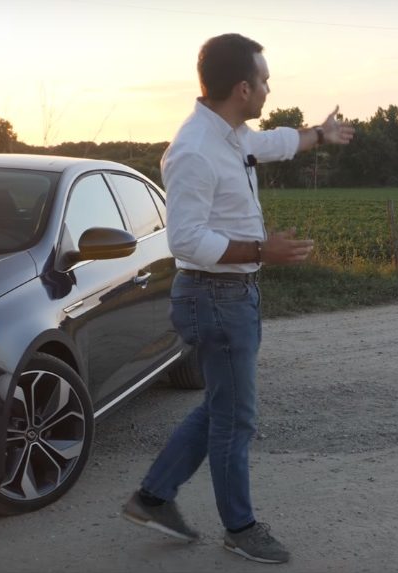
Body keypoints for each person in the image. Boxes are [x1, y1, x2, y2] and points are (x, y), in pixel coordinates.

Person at [120, 33, 354, 564]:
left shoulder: (230, 134)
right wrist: (260, 250)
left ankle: (152, 498)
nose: (270, 89)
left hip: (230, 295)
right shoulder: (194, 151)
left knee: (220, 407)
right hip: (215, 296)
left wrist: (319, 133)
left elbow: (270, 143)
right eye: (265, 81)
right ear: (243, 87)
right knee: (235, 417)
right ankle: (240, 528)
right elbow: (185, 240)